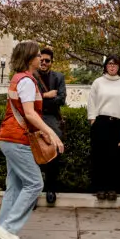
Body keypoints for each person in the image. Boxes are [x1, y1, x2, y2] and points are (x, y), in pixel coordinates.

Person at [0, 40, 65, 239]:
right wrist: (51, 133)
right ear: (28, 58)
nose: (40, 59)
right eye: (36, 56)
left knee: (15, 186)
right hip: (17, 139)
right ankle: (8, 229)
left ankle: (3, 234)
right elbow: (30, 114)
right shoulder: (26, 81)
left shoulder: (19, 79)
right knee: (35, 184)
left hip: (9, 138)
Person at [87, 55, 120, 201]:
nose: (112, 66)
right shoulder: (98, 82)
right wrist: (93, 120)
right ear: (105, 66)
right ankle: (100, 188)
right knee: (100, 156)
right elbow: (91, 103)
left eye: (115, 64)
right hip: (101, 123)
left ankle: (114, 188)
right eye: (109, 64)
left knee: (116, 157)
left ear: (119, 67)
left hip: (119, 123)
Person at [35, 47, 67, 206]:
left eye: (47, 60)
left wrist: (41, 100)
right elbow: (30, 100)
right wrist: (46, 96)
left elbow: (61, 99)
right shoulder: (32, 76)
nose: (44, 63)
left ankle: (50, 188)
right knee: (33, 153)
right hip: (35, 118)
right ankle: (33, 190)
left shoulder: (59, 77)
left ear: (51, 62)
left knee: (54, 152)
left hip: (52, 118)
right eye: (41, 60)